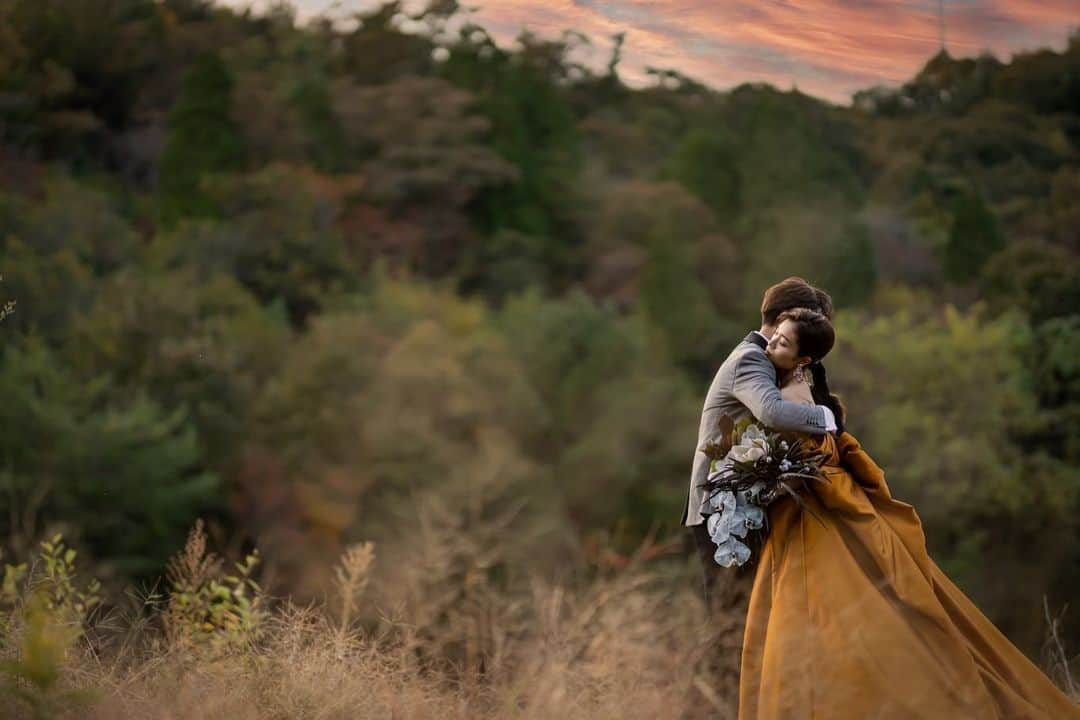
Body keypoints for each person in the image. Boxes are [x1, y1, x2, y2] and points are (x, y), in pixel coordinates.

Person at [735, 307, 1080, 719]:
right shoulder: (796, 386)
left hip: (812, 522)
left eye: (783, 341)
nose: (771, 343)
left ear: (804, 360)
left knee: (818, 619)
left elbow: (799, 446)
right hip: (806, 514)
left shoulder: (792, 396)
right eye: (775, 337)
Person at [682, 277, 837, 615]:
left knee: (745, 615)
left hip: (738, 505)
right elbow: (772, 411)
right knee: (730, 617)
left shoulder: (769, 361)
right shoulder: (751, 358)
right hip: (721, 509)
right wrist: (826, 417)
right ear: (785, 316)